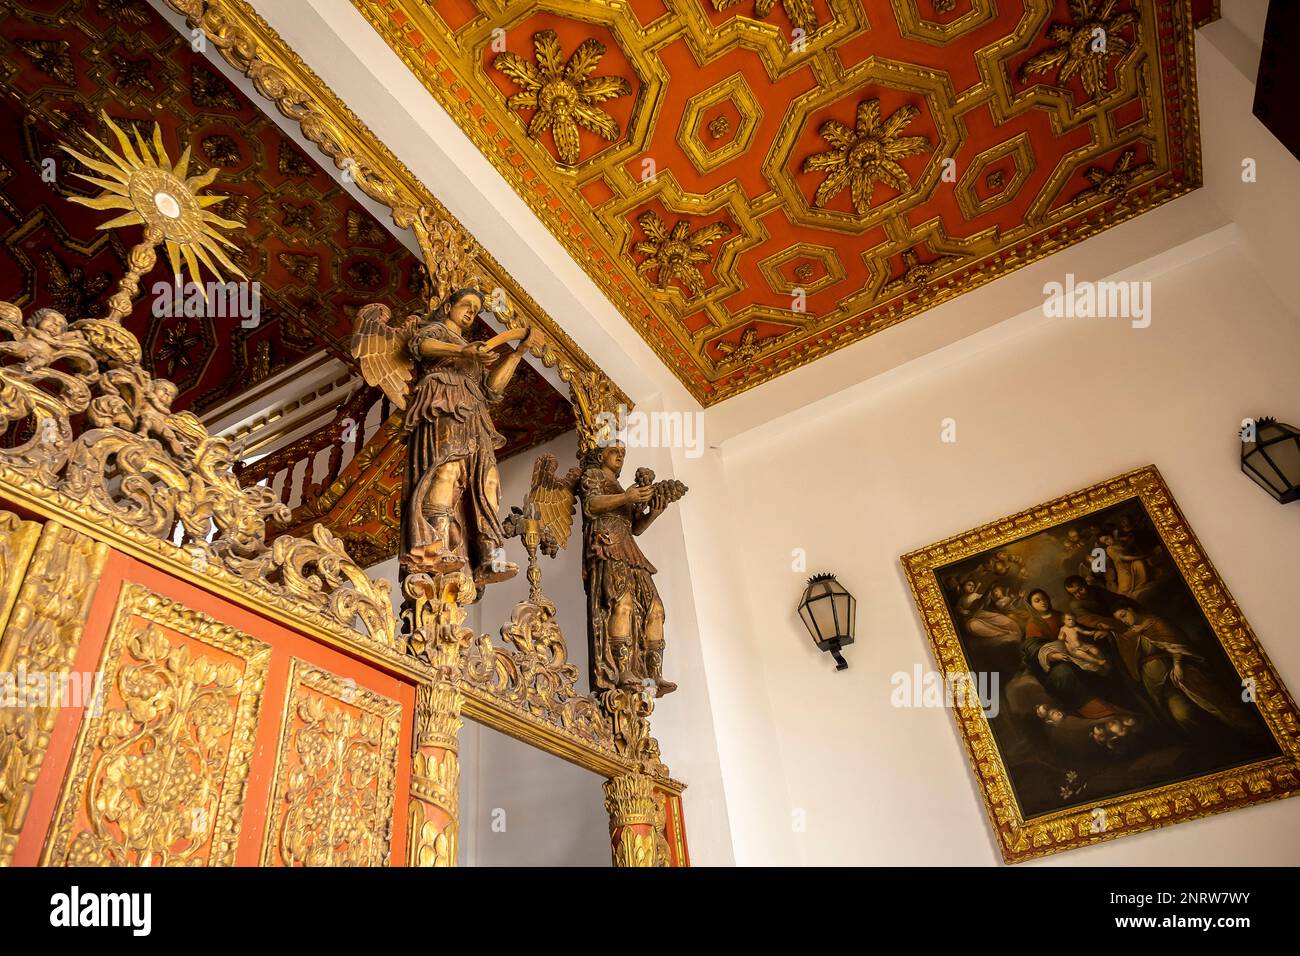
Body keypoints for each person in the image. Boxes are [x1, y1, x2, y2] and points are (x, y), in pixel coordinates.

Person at [400, 287, 543, 585]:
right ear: (449, 305)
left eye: (476, 310)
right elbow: (420, 346)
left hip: (475, 413)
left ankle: (490, 553)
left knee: (487, 480)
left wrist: (518, 352)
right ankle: (436, 545)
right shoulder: (435, 331)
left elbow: (492, 390)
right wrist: (462, 351)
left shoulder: (473, 351)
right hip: (443, 400)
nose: (470, 312)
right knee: (447, 470)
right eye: (466, 305)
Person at [1110, 608, 1263, 738]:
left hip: (1185, 674)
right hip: (1163, 688)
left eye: (1124, 615)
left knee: (1217, 703)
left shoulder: (1155, 623)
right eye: (1119, 619)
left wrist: (1177, 666)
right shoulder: (1130, 636)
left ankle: (1251, 732)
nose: (1123, 621)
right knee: (1182, 716)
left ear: (1131, 609)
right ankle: (1213, 743)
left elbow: (1178, 645)